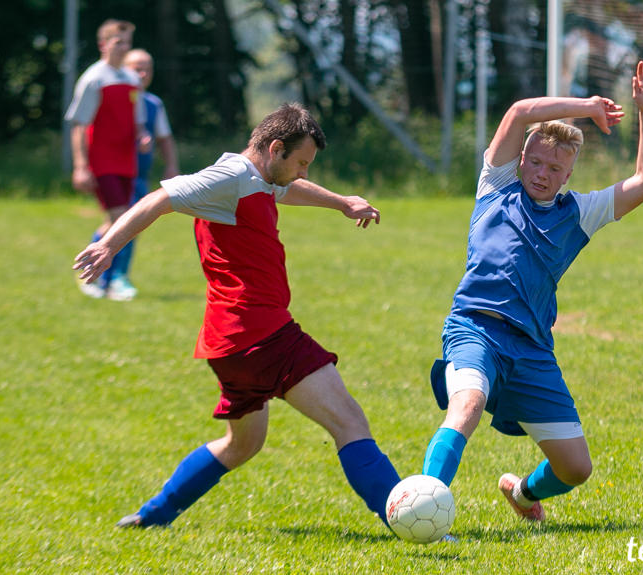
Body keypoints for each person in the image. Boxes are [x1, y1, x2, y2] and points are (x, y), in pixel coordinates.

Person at [73, 103, 401, 529]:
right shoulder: (228, 177)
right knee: (349, 420)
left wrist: (341, 203)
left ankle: (151, 516)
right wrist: (108, 246)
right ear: (275, 147)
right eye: (301, 162)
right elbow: (159, 199)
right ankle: (404, 516)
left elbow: (287, 190)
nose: (303, 173)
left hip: (230, 342)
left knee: (242, 444)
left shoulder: (261, 178)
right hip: (261, 334)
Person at [421, 60, 643, 522]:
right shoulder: (496, 186)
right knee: (466, 404)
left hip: (532, 348)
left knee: (575, 468)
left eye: (555, 168)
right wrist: (588, 106)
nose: (541, 173)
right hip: (475, 328)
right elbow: (520, 111)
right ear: (521, 159)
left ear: (568, 176)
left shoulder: (579, 213)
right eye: (534, 161)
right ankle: (423, 500)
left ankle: (524, 493)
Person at [65, 19, 147, 301]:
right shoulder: (94, 78)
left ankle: (98, 275)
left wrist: (143, 137)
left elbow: (136, 124)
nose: (124, 48)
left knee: (117, 219)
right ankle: (101, 279)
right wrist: (80, 166)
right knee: (120, 218)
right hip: (103, 161)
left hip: (127, 161)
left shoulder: (132, 79)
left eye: (127, 42)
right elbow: (79, 124)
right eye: (118, 42)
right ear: (103, 44)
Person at [105, 48, 181, 300]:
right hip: (113, 173)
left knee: (122, 223)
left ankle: (104, 275)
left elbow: (165, 138)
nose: (143, 73)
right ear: (123, 69)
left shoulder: (152, 104)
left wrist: (171, 165)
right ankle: (115, 277)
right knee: (126, 222)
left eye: (148, 67)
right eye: (137, 67)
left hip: (138, 176)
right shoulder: (112, 98)